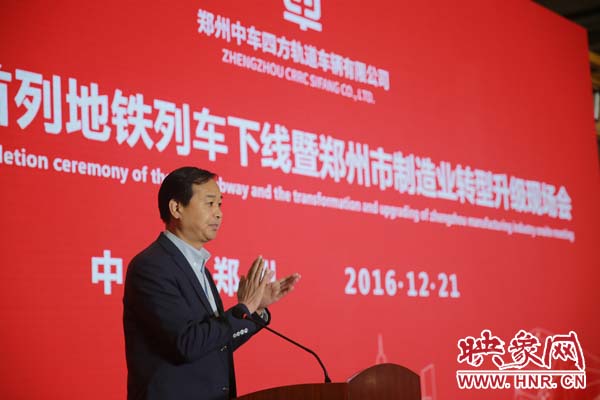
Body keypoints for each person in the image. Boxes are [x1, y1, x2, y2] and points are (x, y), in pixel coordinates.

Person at [123, 166, 300, 400]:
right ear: (176, 208)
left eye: (219, 204)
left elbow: (213, 345)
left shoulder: (198, 267)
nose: (219, 214)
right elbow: (186, 344)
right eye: (209, 203)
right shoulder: (151, 266)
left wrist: (254, 310)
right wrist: (243, 308)